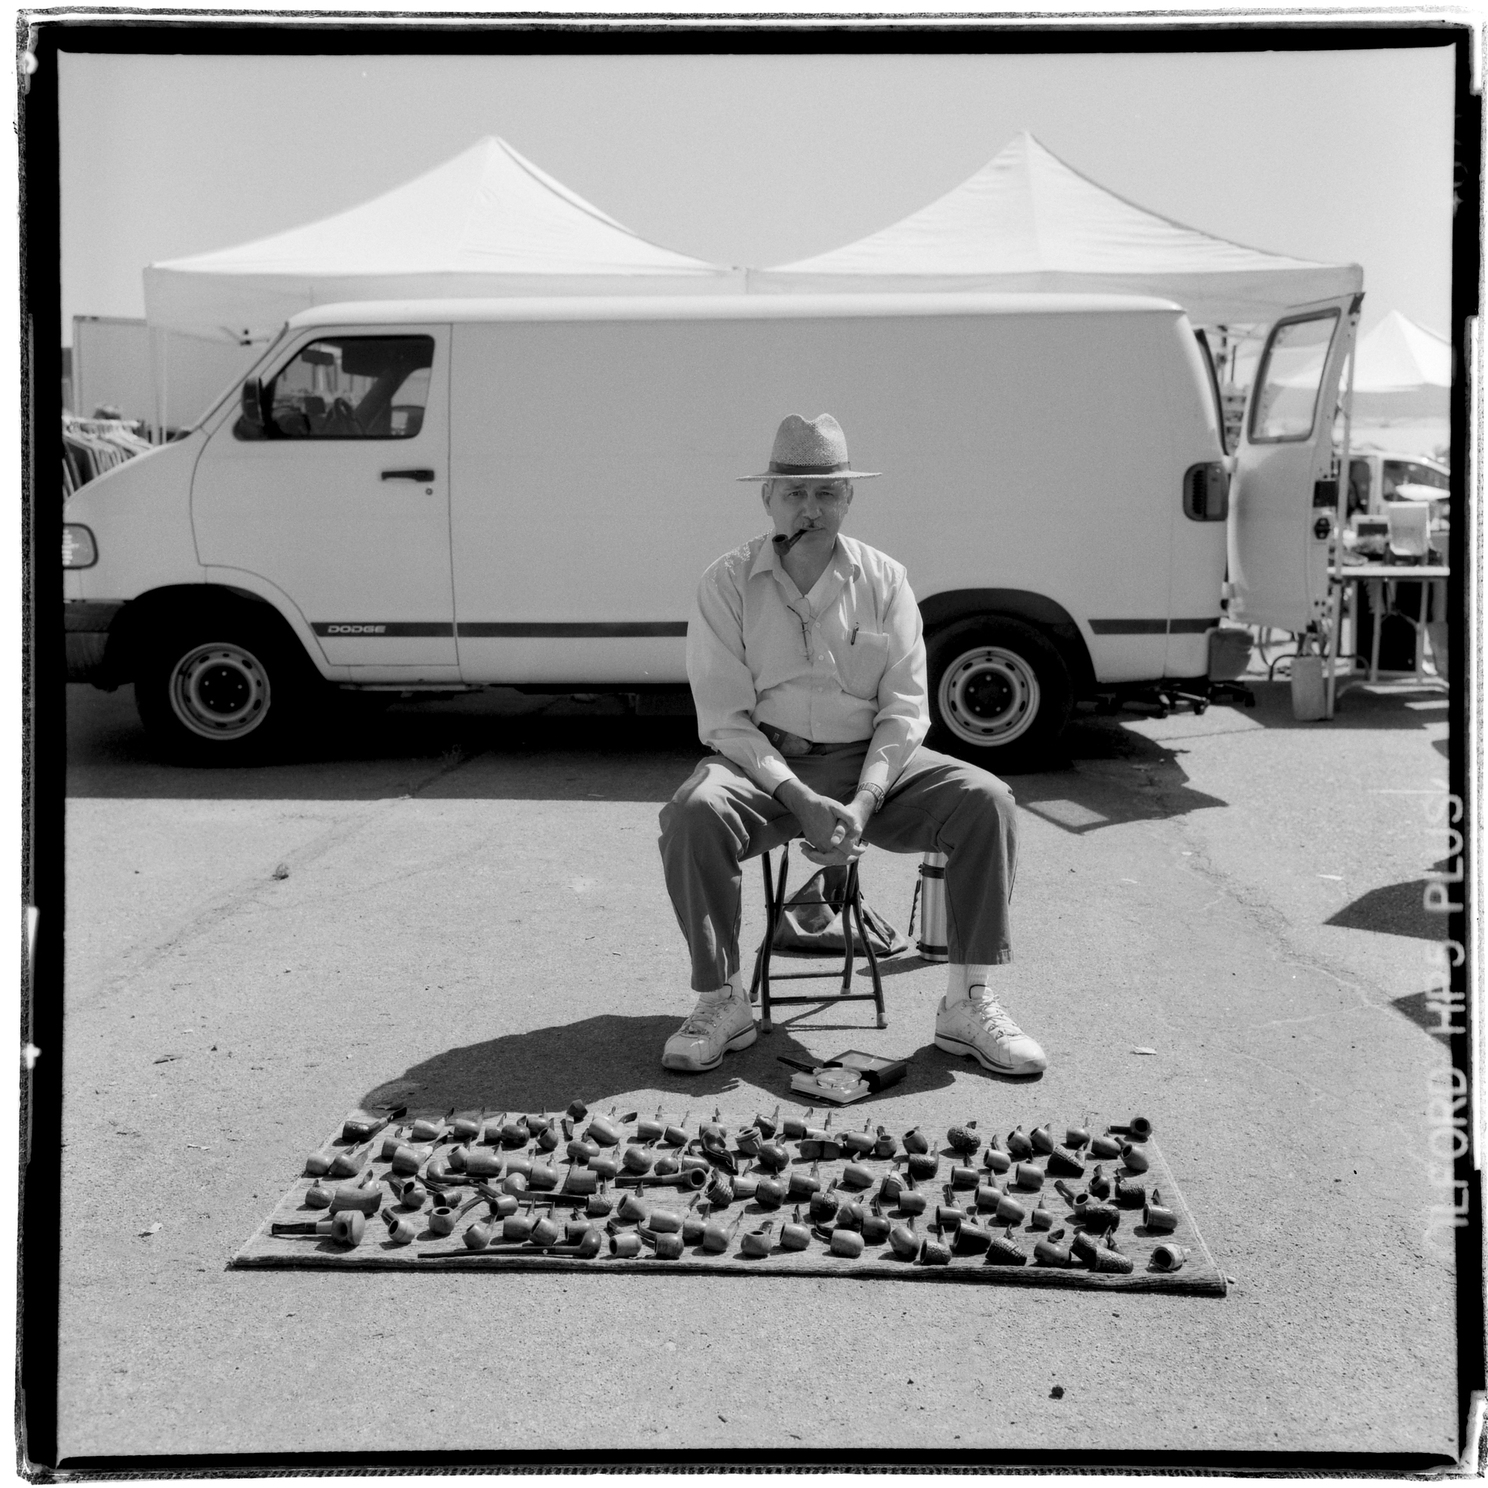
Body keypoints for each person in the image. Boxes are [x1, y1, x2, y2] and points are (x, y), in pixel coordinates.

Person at [657, 413, 1045, 1077]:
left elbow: (904, 708)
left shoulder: (885, 579)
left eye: (827, 492)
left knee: (987, 800)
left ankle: (968, 1000)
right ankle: (720, 998)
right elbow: (725, 717)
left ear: (849, 498)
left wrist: (864, 800)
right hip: (766, 771)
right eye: (796, 493)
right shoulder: (725, 582)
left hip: (873, 768)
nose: (811, 508)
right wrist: (798, 795)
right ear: (768, 498)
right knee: (694, 812)